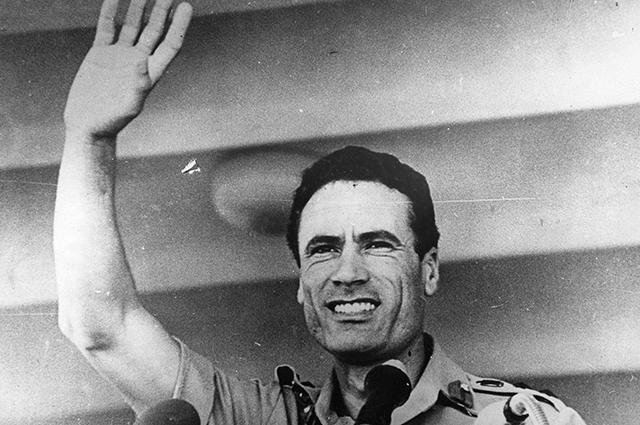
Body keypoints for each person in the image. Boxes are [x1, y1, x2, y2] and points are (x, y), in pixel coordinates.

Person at [54, 0, 587, 424]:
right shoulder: (263, 419)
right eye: (324, 249)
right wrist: (88, 137)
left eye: (377, 243)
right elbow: (103, 327)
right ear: (301, 283)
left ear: (428, 269)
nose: (347, 272)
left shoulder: (525, 421)